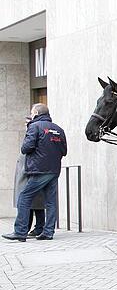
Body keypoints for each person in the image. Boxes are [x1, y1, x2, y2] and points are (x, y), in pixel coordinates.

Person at [3, 104, 67, 242]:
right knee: (50, 202)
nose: (31, 115)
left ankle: (20, 232)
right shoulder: (58, 129)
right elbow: (64, 151)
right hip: (54, 170)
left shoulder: (34, 126)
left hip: (39, 170)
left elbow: (26, 148)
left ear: (36, 113)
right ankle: (48, 232)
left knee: (24, 198)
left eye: (32, 113)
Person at [13, 152, 45, 238]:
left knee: (31, 204)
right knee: (35, 205)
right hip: (29, 178)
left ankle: (25, 230)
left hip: (29, 179)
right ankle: (35, 228)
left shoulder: (30, 151)